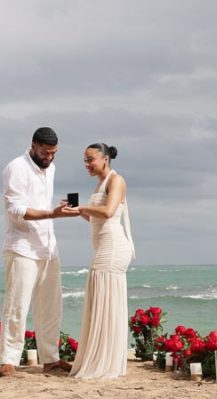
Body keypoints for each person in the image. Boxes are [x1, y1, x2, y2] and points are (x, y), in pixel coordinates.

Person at [0, 127, 78, 377]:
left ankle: (50, 359)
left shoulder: (50, 168)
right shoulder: (16, 168)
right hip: (22, 246)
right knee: (17, 306)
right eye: (45, 152)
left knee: (51, 307)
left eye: (54, 153)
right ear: (33, 145)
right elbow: (16, 210)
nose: (49, 158)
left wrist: (57, 209)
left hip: (48, 246)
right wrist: (52, 213)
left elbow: (42, 205)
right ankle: (8, 361)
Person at [62, 142, 135, 379]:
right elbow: (97, 219)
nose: (87, 164)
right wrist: (78, 211)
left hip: (113, 248)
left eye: (90, 159)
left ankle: (105, 361)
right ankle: (101, 357)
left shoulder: (116, 180)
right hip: (103, 246)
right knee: (100, 300)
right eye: (84, 160)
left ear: (105, 159)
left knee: (106, 299)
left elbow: (108, 212)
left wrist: (83, 206)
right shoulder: (100, 183)